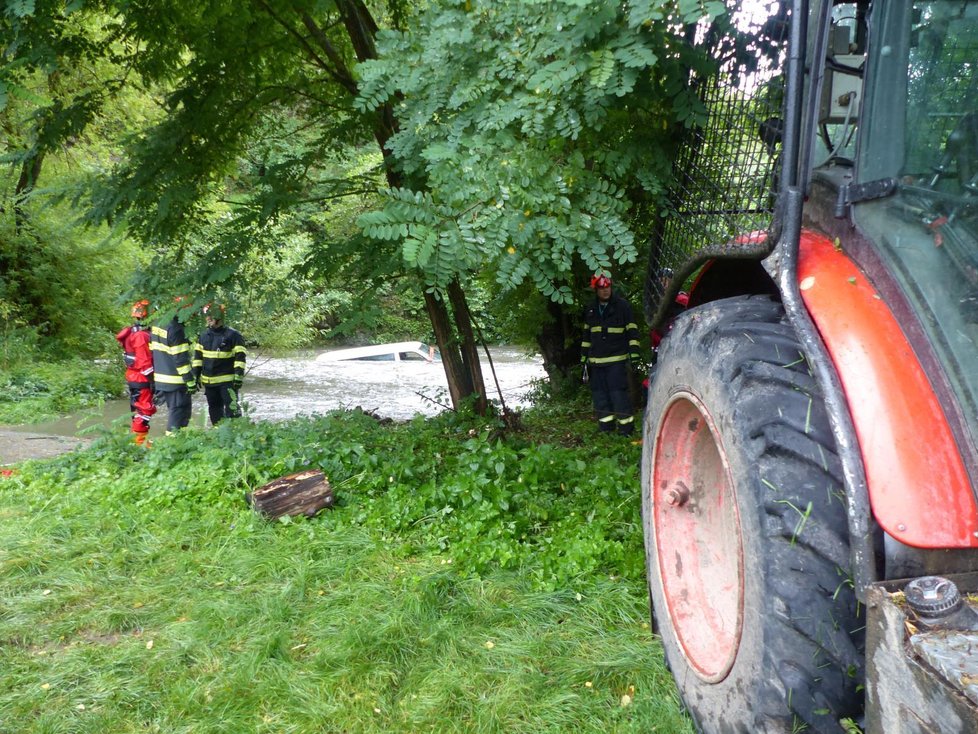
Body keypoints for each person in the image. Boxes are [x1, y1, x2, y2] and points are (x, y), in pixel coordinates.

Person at [580, 273, 641, 436]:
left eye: (608, 287)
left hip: (616, 361)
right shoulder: (591, 308)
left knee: (618, 395)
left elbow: (632, 331)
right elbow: (587, 335)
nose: (606, 291)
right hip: (595, 362)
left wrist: (634, 353)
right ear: (596, 290)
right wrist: (583, 357)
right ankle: (606, 429)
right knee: (600, 397)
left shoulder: (622, 306)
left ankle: (626, 430)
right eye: (602, 288)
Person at [192, 302, 247, 425]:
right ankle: (218, 435)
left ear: (219, 317)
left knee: (232, 409)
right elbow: (197, 359)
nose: (208, 319)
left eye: (211, 316)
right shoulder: (203, 336)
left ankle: (236, 433)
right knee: (214, 410)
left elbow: (240, 358)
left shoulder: (234, 335)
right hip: (209, 383)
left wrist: (238, 376)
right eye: (207, 316)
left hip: (227, 382)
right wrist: (195, 376)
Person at [150, 296, 197, 434]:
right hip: (175, 380)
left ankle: (174, 442)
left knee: (174, 411)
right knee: (179, 412)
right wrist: (189, 381)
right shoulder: (176, 329)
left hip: (161, 378)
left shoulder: (159, 324)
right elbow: (181, 359)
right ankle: (172, 444)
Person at [114, 299, 156, 445]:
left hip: (133, 376)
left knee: (138, 409)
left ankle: (137, 439)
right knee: (144, 410)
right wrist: (153, 381)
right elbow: (144, 362)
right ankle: (139, 442)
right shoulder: (141, 336)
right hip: (141, 377)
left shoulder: (133, 332)